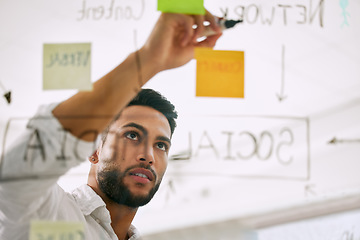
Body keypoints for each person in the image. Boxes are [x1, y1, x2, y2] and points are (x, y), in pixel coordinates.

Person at [0, 10, 222, 240]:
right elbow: (14, 181)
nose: (148, 156)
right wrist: (149, 59)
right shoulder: (50, 217)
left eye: (161, 145)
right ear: (94, 150)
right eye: (133, 135)